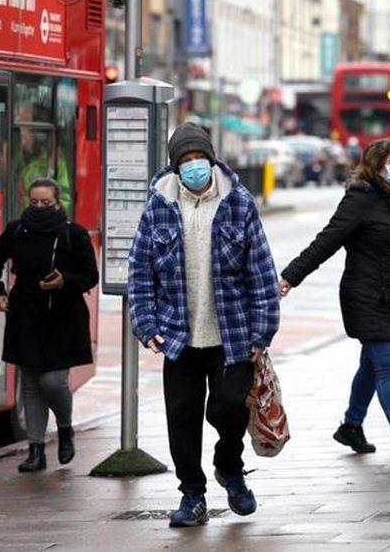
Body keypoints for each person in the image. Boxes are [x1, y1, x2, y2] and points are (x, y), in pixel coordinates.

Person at [127, 123, 280, 528]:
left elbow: (261, 273)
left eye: (200, 159)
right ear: (176, 167)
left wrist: (261, 332)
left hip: (233, 336)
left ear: (211, 160)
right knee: (182, 418)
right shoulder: (158, 205)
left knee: (228, 408)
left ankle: (229, 465)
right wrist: (145, 323)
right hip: (178, 336)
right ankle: (191, 494)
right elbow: (140, 271)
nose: (194, 167)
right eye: (186, 161)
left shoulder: (239, 204)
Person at [278, 137, 390, 458]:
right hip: (367, 296)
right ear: (375, 167)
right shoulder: (358, 199)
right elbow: (327, 241)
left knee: (371, 366)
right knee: (388, 365)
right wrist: (290, 277)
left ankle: (351, 426)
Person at [0, 178, 98, 472]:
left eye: (45, 202)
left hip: (64, 319)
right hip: (26, 315)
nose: (38, 207)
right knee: (31, 385)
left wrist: (65, 281)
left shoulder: (75, 233)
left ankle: (64, 428)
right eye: (33, 202)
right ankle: (35, 450)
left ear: (58, 202)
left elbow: (89, 275)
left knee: (53, 381)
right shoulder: (17, 230)